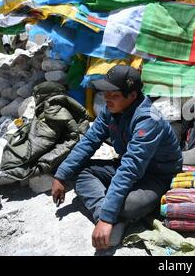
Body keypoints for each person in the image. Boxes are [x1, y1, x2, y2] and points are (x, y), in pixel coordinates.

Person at [51, 65, 183, 249]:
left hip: (155, 176)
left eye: (114, 95)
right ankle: (110, 220)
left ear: (132, 96)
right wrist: (61, 174)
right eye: (105, 93)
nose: (107, 99)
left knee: (128, 206)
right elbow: (89, 141)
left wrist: (107, 217)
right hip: (126, 165)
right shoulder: (110, 110)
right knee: (78, 172)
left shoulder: (149, 120)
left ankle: (110, 218)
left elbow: (131, 168)